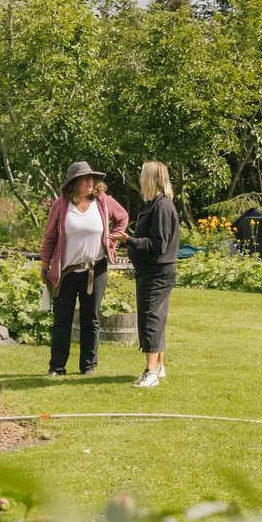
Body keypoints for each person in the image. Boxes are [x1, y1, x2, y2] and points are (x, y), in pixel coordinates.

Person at [39, 160, 128, 376]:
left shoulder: (103, 201)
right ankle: (57, 367)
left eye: (92, 178)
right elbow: (50, 236)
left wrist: (111, 239)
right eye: (84, 178)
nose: (90, 181)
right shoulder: (61, 204)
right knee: (62, 320)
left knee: (91, 318)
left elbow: (123, 218)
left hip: (95, 269)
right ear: (73, 183)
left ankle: (89, 366)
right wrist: (45, 265)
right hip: (66, 271)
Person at [128, 160, 180, 388]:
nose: (140, 180)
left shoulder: (161, 206)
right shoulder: (158, 204)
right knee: (157, 318)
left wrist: (128, 240)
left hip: (156, 272)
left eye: (142, 176)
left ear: (150, 179)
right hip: (155, 271)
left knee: (150, 318)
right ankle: (159, 366)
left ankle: (150, 372)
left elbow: (158, 244)